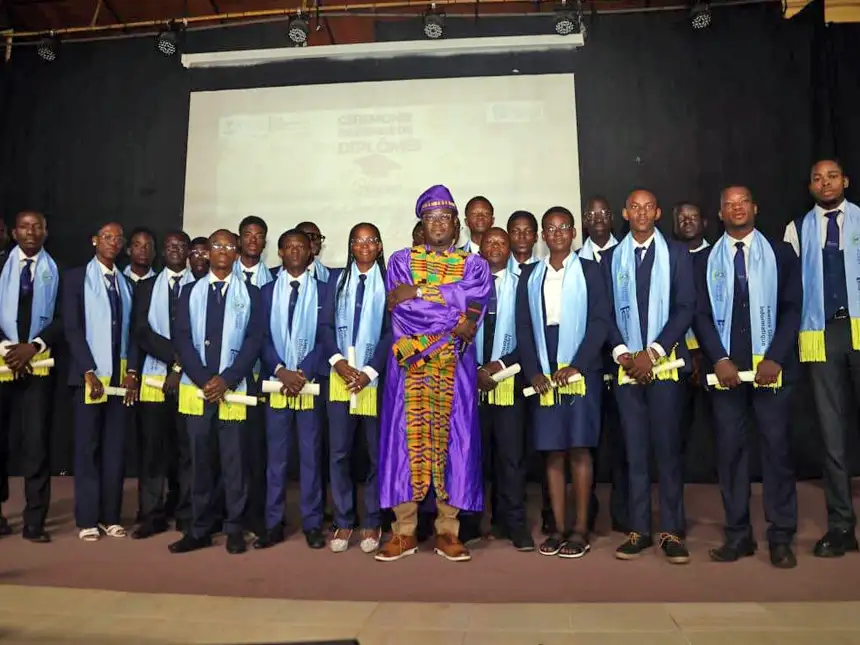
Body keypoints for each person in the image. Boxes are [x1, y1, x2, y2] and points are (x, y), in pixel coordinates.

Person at [375, 185, 491, 563]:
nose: (438, 224)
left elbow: (475, 305)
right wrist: (452, 311)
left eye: (444, 218)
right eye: (430, 219)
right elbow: (404, 313)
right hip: (410, 367)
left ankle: (448, 531)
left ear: (456, 225)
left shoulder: (474, 265)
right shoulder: (399, 261)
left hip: (454, 368)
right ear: (420, 225)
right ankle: (403, 531)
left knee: (454, 445)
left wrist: (421, 291)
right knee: (405, 444)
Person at [695, 186, 800, 569]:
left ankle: (781, 536)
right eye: (728, 204)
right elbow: (701, 315)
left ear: (754, 207)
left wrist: (775, 357)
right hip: (726, 371)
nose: (736, 209)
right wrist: (718, 359)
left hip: (771, 369)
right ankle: (738, 535)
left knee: (777, 452)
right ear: (720, 213)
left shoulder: (782, 253)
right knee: (731, 454)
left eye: (743, 203)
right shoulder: (705, 259)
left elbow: (792, 309)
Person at [603, 189, 695, 564]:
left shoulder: (676, 254)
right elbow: (603, 313)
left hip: (666, 366)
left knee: (667, 451)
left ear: (657, 213)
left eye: (648, 207)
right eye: (634, 207)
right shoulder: (611, 258)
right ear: (625, 213)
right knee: (635, 452)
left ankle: (672, 530)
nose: (641, 213)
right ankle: (638, 529)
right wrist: (623, 353)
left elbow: (686, 307)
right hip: (627, 370)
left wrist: (653, 352)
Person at [519, 208, 608, 558]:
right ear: (543, 235)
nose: (556, 234)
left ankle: (581, 528)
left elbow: (600, 321)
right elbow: (524, 328)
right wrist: (533, 371)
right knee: (552, 450)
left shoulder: (590, 270)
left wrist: (578, 365)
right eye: (550, 229)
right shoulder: (531, 275)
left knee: (579, 448)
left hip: (580, 363)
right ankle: (557, 528)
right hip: (543, 360)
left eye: (563, 228)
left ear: (573, 233)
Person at [170, 229, 264, 555]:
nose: (222, 251)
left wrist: (227, 379)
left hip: (232, 388)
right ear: (207, 252)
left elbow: (254, 340)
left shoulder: (251, 293)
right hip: (198, 390)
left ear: (237, 253)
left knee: (235, 462)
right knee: (200, 462)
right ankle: (199, 528)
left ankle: (235, 527)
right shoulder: (189, 292)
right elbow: (181, 338)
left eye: (229, 246)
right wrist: (202, 379)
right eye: (216, 246)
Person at [784, 159, 860, 557]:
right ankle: (841, 526)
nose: (825, 182)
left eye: (832, 176)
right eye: (817, 177)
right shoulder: (797, 230)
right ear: (810, 185)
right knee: (832, 437)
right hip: (822, 334)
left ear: (845, 180)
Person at [63, 222, 140, 542]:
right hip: (89, 379)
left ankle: (110, 516)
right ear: (94, 240)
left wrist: (133, 372)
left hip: (119, 380)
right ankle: (87, 519)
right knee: (88, 448)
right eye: (107, 237)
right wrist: (88, 371)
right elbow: (72, 328)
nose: (113, 242)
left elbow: (133, 332)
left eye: (118, 239)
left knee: (114, 450)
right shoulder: (76, 278)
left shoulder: (126, 283)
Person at [255, 229, 330, 551]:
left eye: (301, 246)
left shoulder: (326, 292)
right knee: (277, 459)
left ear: (310, 252)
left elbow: (327, 337)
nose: (296, 251)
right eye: (289, 247)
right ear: (281, 253)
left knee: (311, 457)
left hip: (309, 384)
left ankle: (313, 524)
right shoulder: (266, 292)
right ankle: (273, 524)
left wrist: (304, 372)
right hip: (277, 385)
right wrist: (282, 371)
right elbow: (260, 339)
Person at [458, 227, 532, 549]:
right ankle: (470, 524)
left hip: (509, 381)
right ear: (480, 249)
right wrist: (473, 371)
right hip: (469, 383)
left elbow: (530, 336)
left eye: (502, 241)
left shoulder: (523, 285)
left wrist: (497, 367)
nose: (497, 246)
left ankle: (513, 523)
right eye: (490, 242)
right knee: (472, 457)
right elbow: (452, 330)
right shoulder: (464, 287)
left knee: (511, 458)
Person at [325, 223, 390, 554]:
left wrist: (368, 371)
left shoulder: (391, 282)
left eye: (371, 240)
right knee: (339, 454)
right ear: (351, 247)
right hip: (339, 378)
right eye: (358, 241)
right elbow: (323, 327)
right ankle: (344, 520)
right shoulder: (336, 281)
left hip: (374, 381)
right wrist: (338, 362)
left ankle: (373, 520)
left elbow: (393, 332)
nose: (364, 245)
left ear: (379, 247)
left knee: (376, 455)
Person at [0, 211, 62, 542]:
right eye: (24, 226)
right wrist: (8, 347)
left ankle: (34, 520)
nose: (30, 231)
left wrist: (34, 346)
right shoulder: (1, 266)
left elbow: (65, 317)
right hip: (1, 362)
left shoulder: (57, 270)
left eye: (37, 226)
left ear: (45, 231)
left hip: (39, 365)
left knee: (36, 444)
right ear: (13, 232)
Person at [132, 231, 195, 538]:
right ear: (162, 251)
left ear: (188, 251)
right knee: (153, 450)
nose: (175, 250)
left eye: (181, 246)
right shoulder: (145, 287)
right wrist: (174, 359)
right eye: (170, 246)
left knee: (187, 450)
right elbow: (141, 332)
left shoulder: (200, 286)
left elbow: (198, 335)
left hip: (189, 381)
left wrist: (181, 366)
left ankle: (185, 512)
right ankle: (151, 514)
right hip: (154, 378)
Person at [579, 196, 626, 535]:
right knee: (585, 444)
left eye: (603, 213)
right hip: (588, 365)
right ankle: (586, 512)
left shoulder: (625, 253)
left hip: (627, 362)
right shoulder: (573, 261)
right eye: (590, 214)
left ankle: (624, 513)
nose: (597, 219)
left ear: (612, 219)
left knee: (623, 441)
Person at [234, 215, 272, 538]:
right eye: (248, 235)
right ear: (238, 239)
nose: (253, 240)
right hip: (226, 378)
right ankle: (227, 514)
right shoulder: (221, 276)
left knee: (258, 452)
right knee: (229, 452)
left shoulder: (271, 282)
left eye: (259, 236)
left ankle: (255, 517)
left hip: (261, 379)